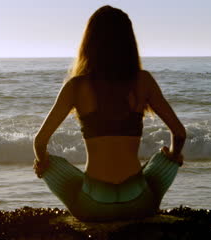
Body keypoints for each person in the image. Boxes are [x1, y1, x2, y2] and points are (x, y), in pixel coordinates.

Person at [33, 5, 186, 221]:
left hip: (93, 205)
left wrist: (43, 163)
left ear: (90, 42)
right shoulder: (143, 80)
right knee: (163, 159)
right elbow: (179, 134)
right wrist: (173, 156)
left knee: (52, 164)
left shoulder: (76, 86)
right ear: (128, 42)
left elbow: (39, 142)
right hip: (139, 202)